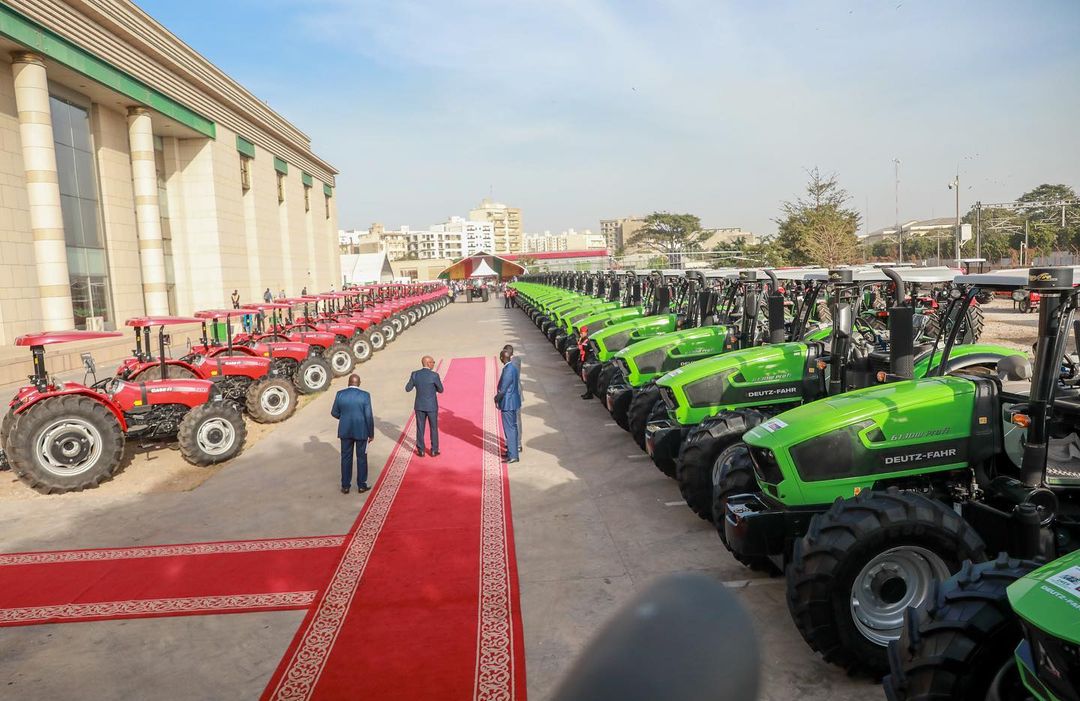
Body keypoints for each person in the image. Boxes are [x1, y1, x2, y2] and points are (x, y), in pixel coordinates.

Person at [331, 374, 375, 494]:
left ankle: (345, 486)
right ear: (359, 383)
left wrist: (344, 418)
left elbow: (334, 412)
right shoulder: (365, 395)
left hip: (345, 431)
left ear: (348, 382)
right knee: (362, 458)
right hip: (361, 431)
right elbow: (368, 416)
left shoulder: (340, 394)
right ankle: (361, 485)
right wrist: (371, 433)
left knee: (346, 458)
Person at [405, 355, 444, 457]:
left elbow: (408, 388)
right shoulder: (434, 375)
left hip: (419, 406)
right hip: (431, 406)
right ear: (428, 363)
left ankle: (421, 450)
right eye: (432, 362)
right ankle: (434, 450)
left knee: (420, 428)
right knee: (433, 428)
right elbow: (441, 390)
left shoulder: (415, 374)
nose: (433, 364)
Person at [496, 349, 521, 463]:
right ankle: (512, 451)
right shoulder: (512, 367)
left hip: (508, 403)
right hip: (512, 401)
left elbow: (503, 389)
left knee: (510, 429)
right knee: (512, 428)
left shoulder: (508, 370)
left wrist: (496, 398)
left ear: (502, 358)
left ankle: (513, 455)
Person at [502, 344, 523, 453]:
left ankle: (516, 444)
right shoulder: (517, 360)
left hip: (513, 395)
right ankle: (514, 443)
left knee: (514, 421)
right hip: (516, 393)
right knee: (515, 420)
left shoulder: (511, 364)